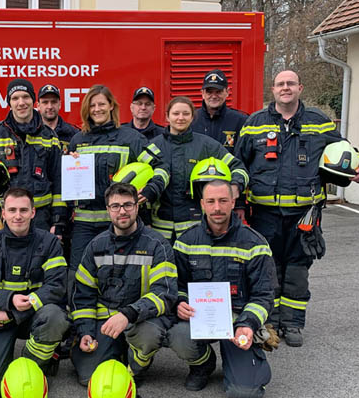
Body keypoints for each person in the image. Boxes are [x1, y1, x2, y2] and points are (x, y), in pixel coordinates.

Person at [235, 70, 359, 346]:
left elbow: (345, 152)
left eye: (290, 84)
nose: (285, 88)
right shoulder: (254, 124)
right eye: (280, 84)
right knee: (268, 268)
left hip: (304, 215)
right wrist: (238, 205)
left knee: (297, 269)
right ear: (272, 90)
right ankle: (270, 320)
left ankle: (293, 324)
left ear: (300, 88)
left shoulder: (319, 123)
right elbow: (239, 165)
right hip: (264, 214)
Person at [71, 183, 194, 385]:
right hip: (107, 322)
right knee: (88, 377)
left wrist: (128, 314)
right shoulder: (96, 246)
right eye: (116, 206)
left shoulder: (157, 244)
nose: (122, 211)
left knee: (149, 335)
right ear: (108, 209)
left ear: (137, 207)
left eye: (128, 205)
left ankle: (137, 367)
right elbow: (83, 295)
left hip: (142, 319)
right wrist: (85, 331)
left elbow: (165, 294)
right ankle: (116, 351)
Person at [174, 179, 275, 398]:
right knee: (177, 333)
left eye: (222, 201)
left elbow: (264, 295)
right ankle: (203, 365)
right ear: (202, 204)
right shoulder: (186, 241)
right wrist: (180, 302)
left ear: (232, 202)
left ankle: (249, 360)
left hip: (238, 324)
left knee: (245, 393)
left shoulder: (254, 243)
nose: (217, 208)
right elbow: (177, 285)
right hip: (199, 320)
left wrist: (248, 325)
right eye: (211, 201)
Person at [0, 188, 69, 398]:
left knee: (56, 317)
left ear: (33, 212)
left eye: (24, 210)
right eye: (12, 210)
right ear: (3, 212)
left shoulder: (49, 243)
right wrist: (9, 300)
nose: (18, 215)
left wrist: (14, 312)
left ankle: (33, 362)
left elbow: (56, 286)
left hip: (32, 316)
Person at [68, 84, 167, 273]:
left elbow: (161, 166)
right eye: (92, 105)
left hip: (120, 221)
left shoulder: (132, 138)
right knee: (79, 273)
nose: (97, 109)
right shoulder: (77, 140)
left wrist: (151, 190)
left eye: (101, 104)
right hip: (85, 224)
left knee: (119, 272)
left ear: (111, 106)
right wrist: (71, 164)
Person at [0, 79, 66, 234]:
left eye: (26, 97)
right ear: (9, 102)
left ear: (33, 101)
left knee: (41, 258)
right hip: (5, 216)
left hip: (41, 217)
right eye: (15, 98)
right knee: (3, 258)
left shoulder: (49, 137)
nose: (21, 102)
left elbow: (59, 181)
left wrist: (58, 220)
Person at [149, 96, 248, 241]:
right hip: (160, 228)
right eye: (176, 114)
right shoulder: (153, 146)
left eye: (186, 114)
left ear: (192, 118)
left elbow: (238, 167)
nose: (180, 118)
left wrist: (235, 185)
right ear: (167, 117)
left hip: (195, 227)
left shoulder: (207, 145)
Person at [191, 69, 248, 154]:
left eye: (218, 92)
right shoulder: (191, 120)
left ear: (227, 92)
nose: (214, 96)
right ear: (202, 93)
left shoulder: (241, 121)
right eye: (209, 92)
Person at [37, 83, 79, 153]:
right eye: (45, 102)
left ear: (59, 105)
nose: (50, 106)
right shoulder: (30, 133)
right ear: (38, 106)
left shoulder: (74, 133)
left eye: (53, 102)